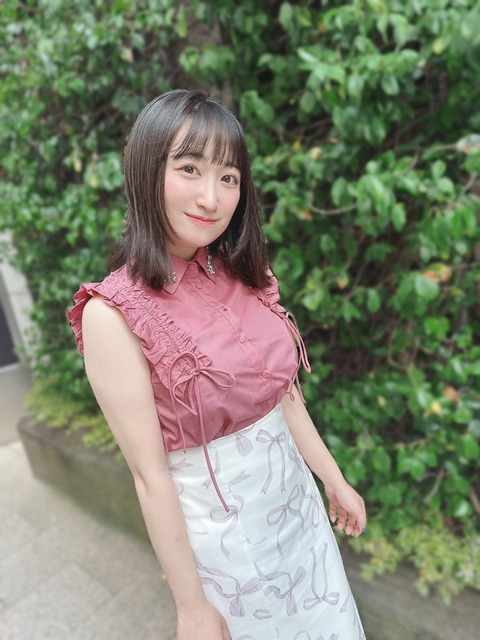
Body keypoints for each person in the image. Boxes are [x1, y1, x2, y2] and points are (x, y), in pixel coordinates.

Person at [68, 89, 367, 640]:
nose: (211, 197)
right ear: (146, 171)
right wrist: (191, 607)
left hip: (299, 517)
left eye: (228, 177)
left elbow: (282, 396)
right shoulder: (112, 313)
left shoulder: (240, 272)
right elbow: (150, 476)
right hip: (230, 547)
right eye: (189, 169)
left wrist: (333, 479)